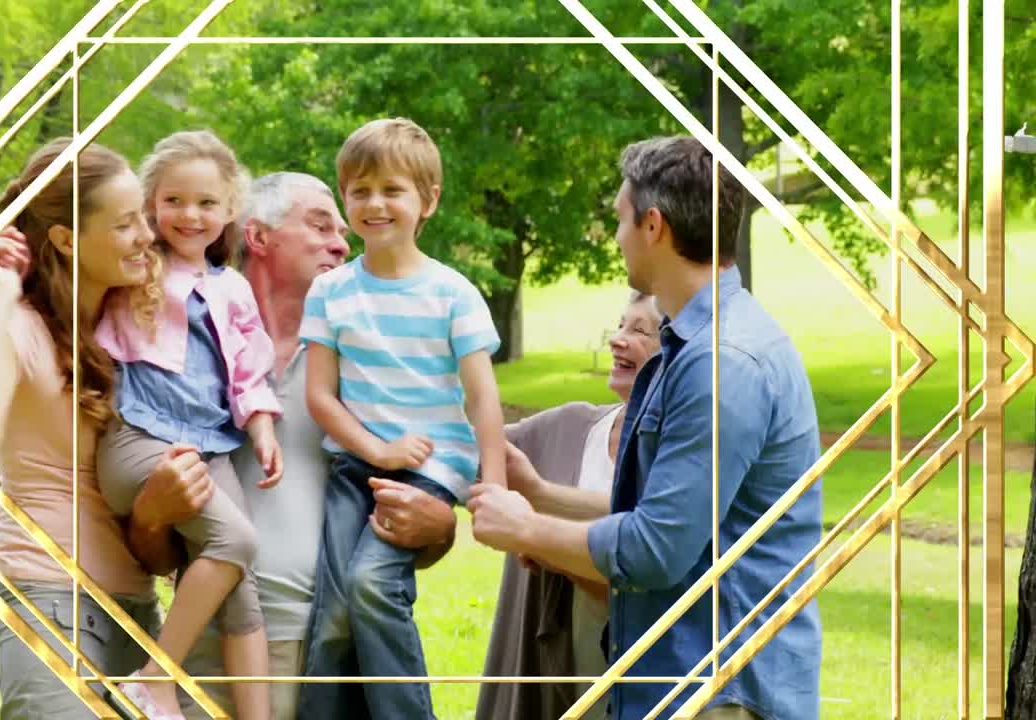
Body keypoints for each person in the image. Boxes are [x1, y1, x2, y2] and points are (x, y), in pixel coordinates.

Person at [469, 135, 823, 719]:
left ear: (653, 225)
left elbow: (657, 549)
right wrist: (542, 494)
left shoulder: (721, 363)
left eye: (619, 219)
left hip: (718, 690)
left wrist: (527, 529)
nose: (615, 237)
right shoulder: (691, 345)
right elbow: (676, 515)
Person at [146, 171, 459, 720]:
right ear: (258, 237)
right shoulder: (186, 345)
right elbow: (144, 539)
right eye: (319, 225)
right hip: (208, 656)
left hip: (331, 660)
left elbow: (423, 503)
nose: (342, 242)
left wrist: (440, 528)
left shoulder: (372, 357)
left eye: (342, 230)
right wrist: (151, 512)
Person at [0, 138, 216, 720]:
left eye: (142, 217)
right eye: (124, 225)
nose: (147, 235)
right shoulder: (21, 327)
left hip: (136, 611)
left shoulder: (133, 333)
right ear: (67, 239)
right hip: (48, 598)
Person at [296, 117, 506, 720]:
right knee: (332, 613)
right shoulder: (331, 292)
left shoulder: (452, 293)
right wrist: (375, 450)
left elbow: (482, 399)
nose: (375, 203)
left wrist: (492, 483)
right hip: (357, 462)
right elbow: (321, 398)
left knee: (369, 582)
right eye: (359, 191)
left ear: (429, 201)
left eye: (392, 189)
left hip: (431, 464)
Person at [95, 130, 281, 719]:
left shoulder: (233, 288)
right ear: (150, 206)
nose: (189, 214)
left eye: (206, 203)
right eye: (173, 200)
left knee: (241, 586)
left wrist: (263, 430)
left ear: (229, 211)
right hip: (141, 439)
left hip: (212, 449)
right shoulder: (135, 270)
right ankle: (153, 677)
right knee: (239, 539)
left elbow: (248, 372)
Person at [476, 291, 662, 720]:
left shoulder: (682, 453)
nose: (618, 340)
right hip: (568, 672)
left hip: (645, 679)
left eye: (638, 330)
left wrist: (544, 541)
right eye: (619, 326)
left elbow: (647, 544)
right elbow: (472, 449)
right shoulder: (570, 426)